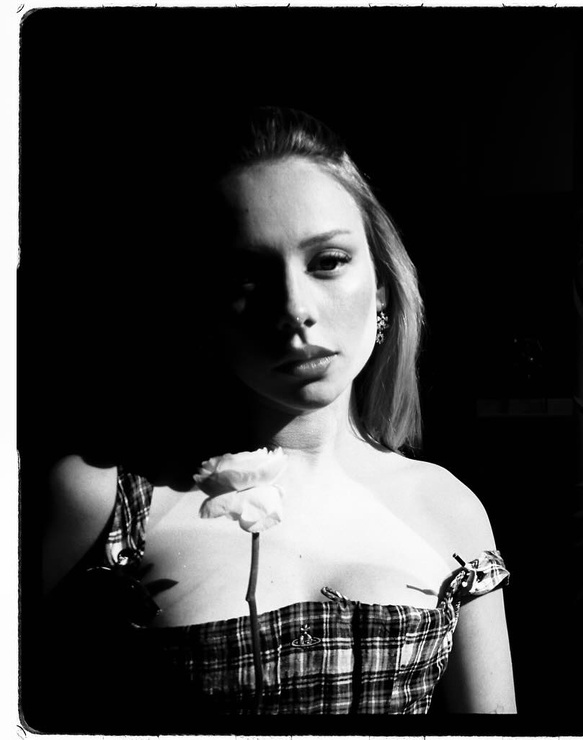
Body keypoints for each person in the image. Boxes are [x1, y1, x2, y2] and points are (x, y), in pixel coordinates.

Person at [37, 106, 515, 722]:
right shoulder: (100, 503)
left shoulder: (447, 509)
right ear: (205, 310)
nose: (294, 308)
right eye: (247, 275)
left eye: (328, 261)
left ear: (381, 288)